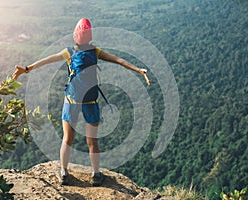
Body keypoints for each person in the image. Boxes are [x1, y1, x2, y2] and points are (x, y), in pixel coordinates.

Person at [12, 18, 150, 186]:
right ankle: (96, 174)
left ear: (75, 35)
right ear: (89, 36)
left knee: (67, 139)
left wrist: (26, 69)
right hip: (91, 101)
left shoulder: (69, 52)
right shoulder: (96, 51)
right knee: (92, 141)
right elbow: (118, 60)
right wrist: (138, 70)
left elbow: (47, 59)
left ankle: (63, 172)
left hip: (72, 100)